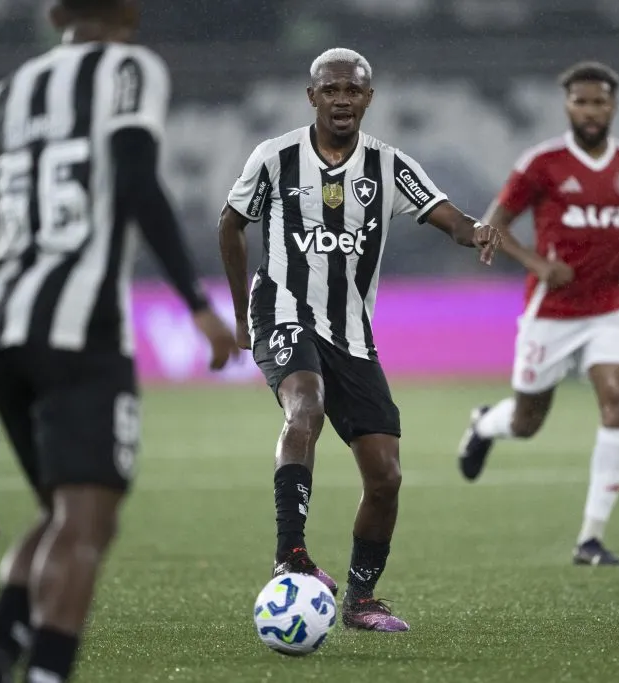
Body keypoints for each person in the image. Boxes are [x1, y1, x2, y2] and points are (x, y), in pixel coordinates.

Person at [0, 1, 237, 681]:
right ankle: (45, 672)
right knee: (85, 524)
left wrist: (17, 295)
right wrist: (198, 303)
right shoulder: (131, 68)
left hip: (1, 330)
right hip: (81, 330)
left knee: (61, 514)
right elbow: (137, 178)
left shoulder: (6, 93)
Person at [218, 47, 504, 632]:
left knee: (386, 474)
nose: (342, 100)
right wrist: (241, 315)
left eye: (353, 90)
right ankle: (289, 555)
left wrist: (475, 230)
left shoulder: (388, 165)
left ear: (368, 98)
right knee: (306, 405)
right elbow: (231, 222)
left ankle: (360, 600)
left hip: (350, 331)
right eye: (331, 90)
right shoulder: (274, 158)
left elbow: (444, 213)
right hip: (283, 310)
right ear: (312, 97)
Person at [455, 61, 619, 566]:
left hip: (609, 308)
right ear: (567, 105)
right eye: (581, 101)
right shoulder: (543, 163)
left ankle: (590, 539)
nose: (590, 109)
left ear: (613, 105)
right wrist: (538, 263)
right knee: (527, 420)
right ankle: (484, 424)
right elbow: (494, 222)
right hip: (551, 312)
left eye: (599, 101)